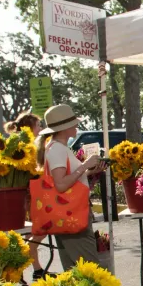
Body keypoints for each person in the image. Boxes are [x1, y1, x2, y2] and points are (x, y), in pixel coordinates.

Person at [35, 104, 108, 271]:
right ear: (64, 128)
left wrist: (88, 171)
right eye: (74, 123)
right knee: (89, 272)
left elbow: (63, 180)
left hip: (65, 215)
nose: (77, 126)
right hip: (73, 216)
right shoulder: (58, 150)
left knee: (73, 271)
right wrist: (84, 166)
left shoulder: (55, 148)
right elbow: (61, 184)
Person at [6, 112, 47, 281]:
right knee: (39, 229)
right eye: (38, 125)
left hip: (29, 194)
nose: (40, 129)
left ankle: (31, 268)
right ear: (29, 127)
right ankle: (24, 263)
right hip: (29, 195)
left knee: (33, 232)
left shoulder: (29, 144)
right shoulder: (24, 146)